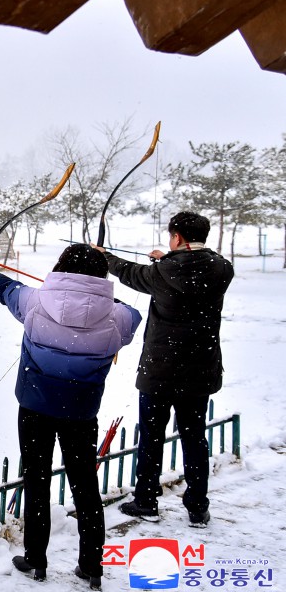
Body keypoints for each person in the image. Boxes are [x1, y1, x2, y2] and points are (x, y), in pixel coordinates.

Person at [0, 244, 142, 590]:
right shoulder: (118, 318)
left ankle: (36, 559)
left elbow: (7, 290)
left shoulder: (34, 302)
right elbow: (132, 315)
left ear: (60, 268)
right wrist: (101, 297)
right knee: (85, 484)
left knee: (37, 480)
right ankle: (92, 565)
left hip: (35, 407)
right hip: (80, 412)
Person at [94, 211, 234, 527]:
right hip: (199, 371)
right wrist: (167, 260)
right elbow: (192, 270)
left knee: (152, 436)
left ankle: (146, 500)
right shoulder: (222, 269)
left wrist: (106, 257)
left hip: (161, 371)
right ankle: (198, 506)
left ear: (178, 238)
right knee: (195, 438)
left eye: (172, 236)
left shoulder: (163, 273)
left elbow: (130, 273)